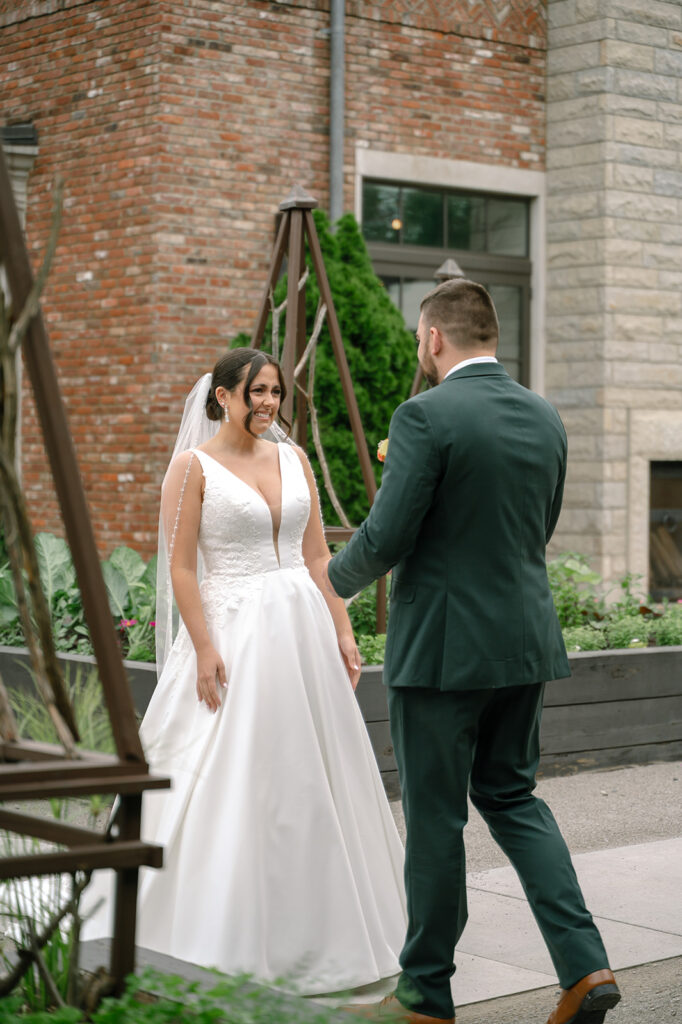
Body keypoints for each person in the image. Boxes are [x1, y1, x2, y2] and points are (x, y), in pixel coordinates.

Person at [325, 280, 621, 1024]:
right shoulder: (545, 415)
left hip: (443, 653)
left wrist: (327, 583)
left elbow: (388, 536)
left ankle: (426, 993)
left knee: (435, 817)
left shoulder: (424, 415)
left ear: (433, 339)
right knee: (515, 798)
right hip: (524, 643)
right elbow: (536, 527)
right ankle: (587, 969)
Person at [85, 348, 406, 999]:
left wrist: (342, 628)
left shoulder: (295, 459)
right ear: (223, 397)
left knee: (313, 775)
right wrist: (203, 647)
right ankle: (202, 931)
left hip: (303, 637)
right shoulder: (192, 467)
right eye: (256, 391)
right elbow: (179, 568)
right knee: (236, 775)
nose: (268, 403)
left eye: (275, 393)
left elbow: (318, 555)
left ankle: (332, 929)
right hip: (233, 634)